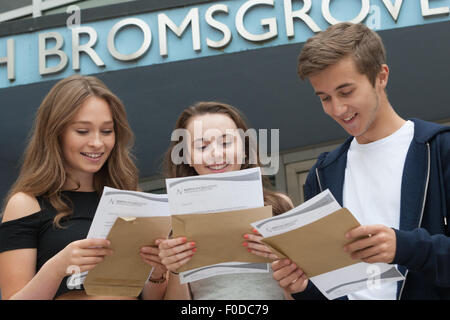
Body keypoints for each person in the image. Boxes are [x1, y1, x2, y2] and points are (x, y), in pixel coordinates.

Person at [272, 22, 450, 300]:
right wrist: (303, 289)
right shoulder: (322, 175)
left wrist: (405, 247)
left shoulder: (440, 149)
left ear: (381, 76)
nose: (337, 109)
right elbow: (332, 285)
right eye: (325, 98)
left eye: (346, 92)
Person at [0, 75, 167, 300]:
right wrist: (57, 267)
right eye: (82, 131)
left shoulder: (132, 198)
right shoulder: (26, 204)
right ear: (55, 133)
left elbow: (152, 297)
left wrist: (156, 272)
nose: (97, 142)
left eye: (107, 131)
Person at [143, 101, 293, 299]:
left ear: (244, 148)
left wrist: (281, 258)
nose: (216, 154)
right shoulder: (170, 219)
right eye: (202, 146)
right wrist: (176, 270)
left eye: (226, 143)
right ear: (186, 156)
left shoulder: (278, 206)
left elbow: (301, 292)